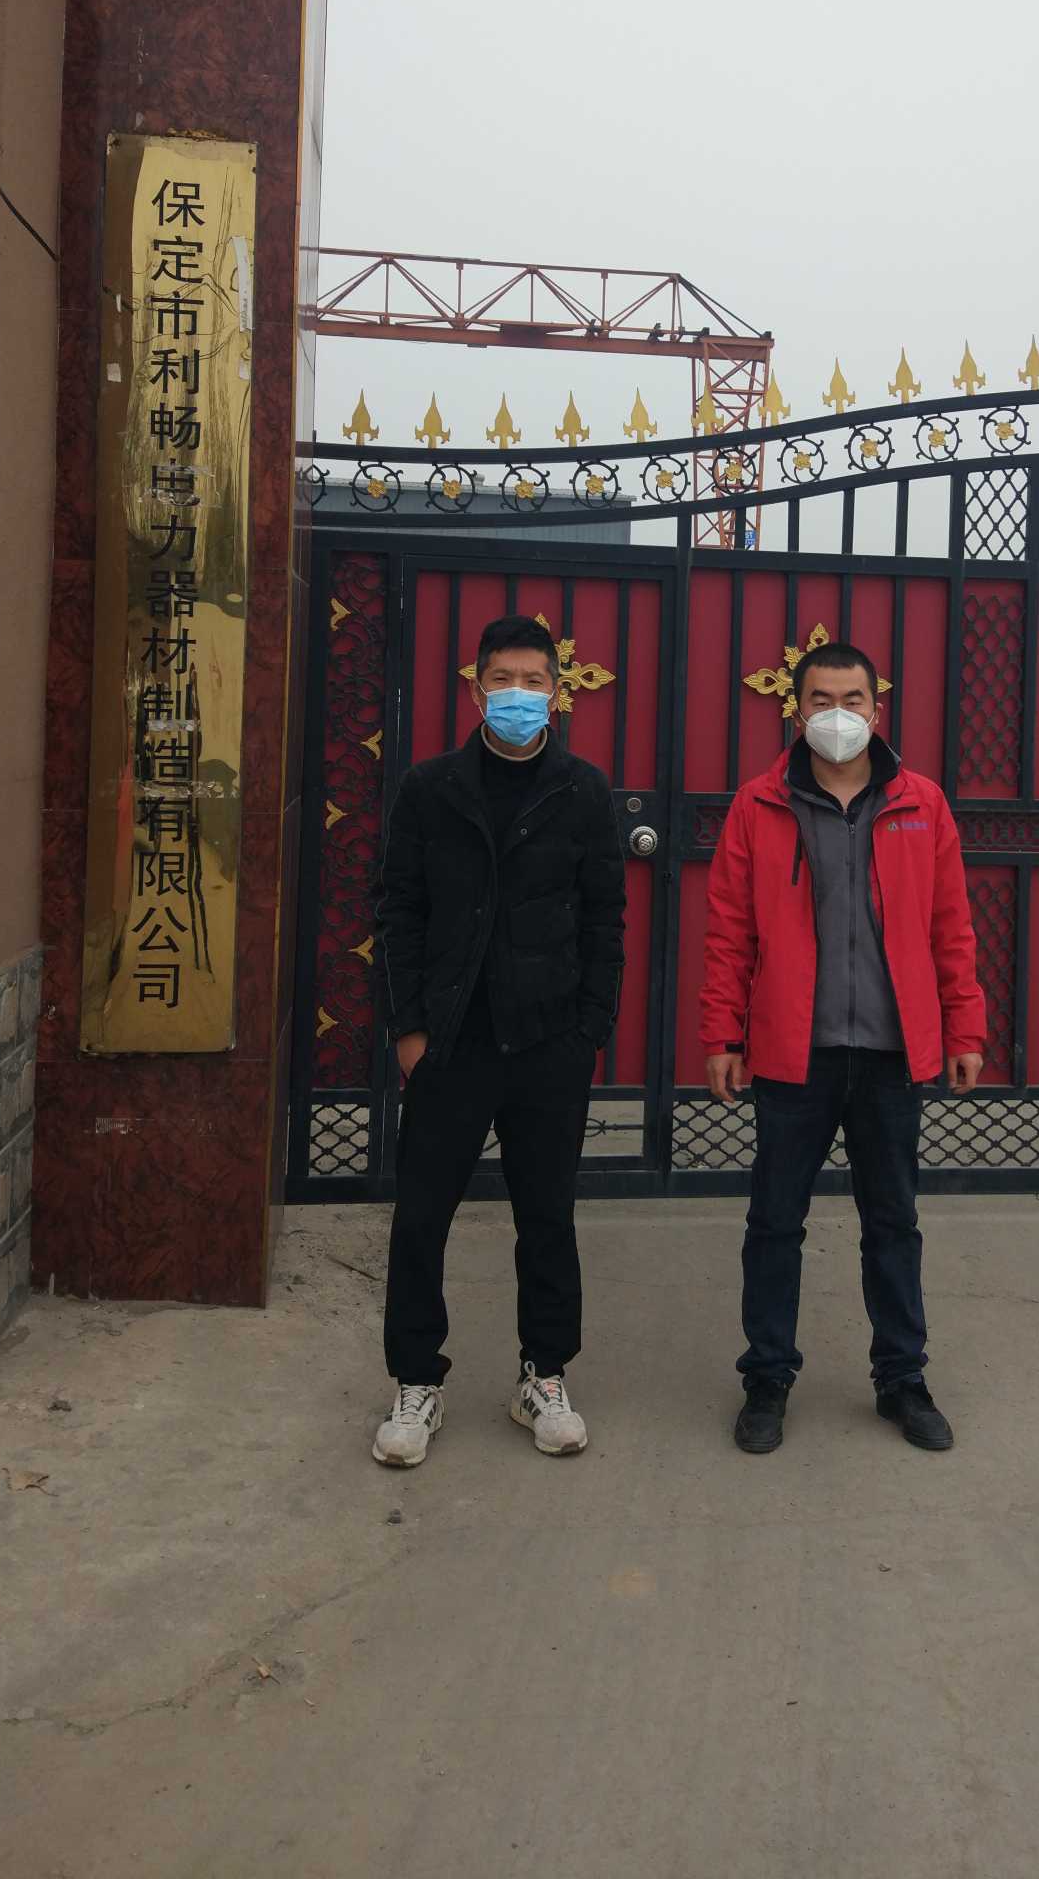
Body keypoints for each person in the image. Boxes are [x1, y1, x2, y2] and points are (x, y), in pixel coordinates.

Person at [701, 641, 986, 1455]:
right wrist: (722, 1032)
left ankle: (902, 1379)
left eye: (852, 699)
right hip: (795, 1049)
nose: (838, 714)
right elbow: (729, 929)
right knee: (774, 1222)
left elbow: (951, 926)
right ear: (797, 711)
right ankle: (767, 1379)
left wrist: (964, 1027)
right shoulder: (759, 804)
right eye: (821, 699)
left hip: (892, 1052)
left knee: (893, 1222)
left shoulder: (921, 803)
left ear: (876, 708)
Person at [372, 615, 626, 1467]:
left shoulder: (582, 791)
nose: (519, 694)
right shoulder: (430, 788)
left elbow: (606, 921)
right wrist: (409, 1028)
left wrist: (588, 1030)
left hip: (549, 1041)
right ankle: (417, 1380)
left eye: (534, 681)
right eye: (503, 679)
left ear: (558, 692)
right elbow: (399, 910)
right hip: (451, 1040)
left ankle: (543, 1376)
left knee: (547, 1215)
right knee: (422, 1218)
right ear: (476, 688)